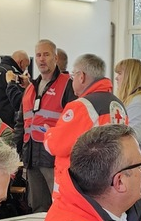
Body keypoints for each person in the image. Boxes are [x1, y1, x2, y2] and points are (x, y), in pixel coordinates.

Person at [45, 53, 127, 196]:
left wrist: (49, 134)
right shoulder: (117, 104)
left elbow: (57, 145)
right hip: (111, 183)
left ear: (81, 76)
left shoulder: (81, 106)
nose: (72, 81)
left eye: (73, 76)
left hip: (78, 186)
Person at [15, 39, 75, 213]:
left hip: (54, 158)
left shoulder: (68, 85)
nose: (41, 59)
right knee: (37, 208)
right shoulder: (30, 89)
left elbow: (73, 123)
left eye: (46, 54)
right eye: (38, 55)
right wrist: (17, 150)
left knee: (61, 206)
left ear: (55, 58)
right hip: (31, 156)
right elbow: (21, 123)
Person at [114, 58, 141, 194]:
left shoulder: (138, 102)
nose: (116, 78)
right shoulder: (135, 100)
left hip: (137, 170)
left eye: (120, 73)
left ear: (129, 76)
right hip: (133, 168)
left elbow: (132, 137)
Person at [0, 50, 29, 127]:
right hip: (5, 122)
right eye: (26, 66)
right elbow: (19, 101)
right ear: (21, 63)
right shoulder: (13, 74)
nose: (25, 69)